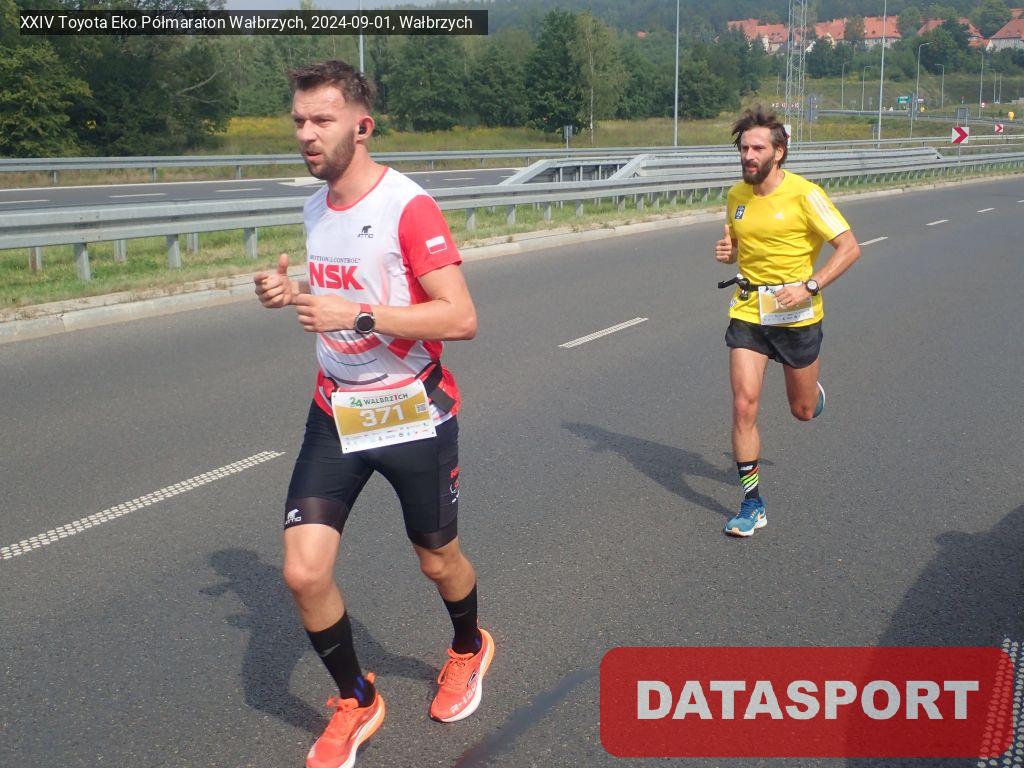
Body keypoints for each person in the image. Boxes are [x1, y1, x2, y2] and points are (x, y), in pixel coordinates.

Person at [253, 60, 494, 768]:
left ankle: (468, 646)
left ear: (362, 127)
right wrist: (290, 291)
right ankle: (357, 699)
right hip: (335, 411)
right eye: (299, 120)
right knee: (303, 573)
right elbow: (340, 285)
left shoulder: (408, 206)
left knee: (436, 559)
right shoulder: (314, 207)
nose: (306, 133)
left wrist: (355, 313)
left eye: (321, 120)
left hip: (411, 410)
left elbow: (461, 317)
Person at [714, 107, 861, 538]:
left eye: (757, 148)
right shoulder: (737, 196)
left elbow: (850, 247)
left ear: (778, 152)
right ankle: (752, 504)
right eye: (744, 148)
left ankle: (812, 393)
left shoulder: (805, 194)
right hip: (749, 310)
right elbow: (739, 248)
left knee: (802, 411)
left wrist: (810, 286)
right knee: (743, 405)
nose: (748, 155)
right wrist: (729, 254)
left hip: (797, 315)